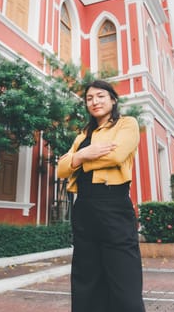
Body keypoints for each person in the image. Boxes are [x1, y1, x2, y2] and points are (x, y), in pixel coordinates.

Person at [57, 80, 145, 312]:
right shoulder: (82, 136)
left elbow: (116, 156)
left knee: (123, 276)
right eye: (89, 98)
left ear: (113, 99)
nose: (94, 101)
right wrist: (84, 153)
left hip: (113, 204)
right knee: (86, 276)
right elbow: (61, 168)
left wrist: (79, 161)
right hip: (84, 207)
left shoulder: (127, 124)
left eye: (100, 96)